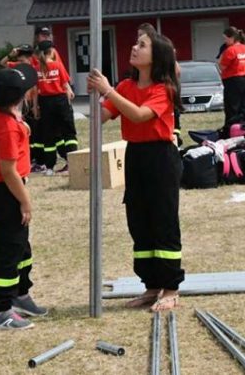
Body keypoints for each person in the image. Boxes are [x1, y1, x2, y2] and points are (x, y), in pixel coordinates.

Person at [87, 29, 184, 312]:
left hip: (161, 157)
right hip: (136, 155)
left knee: (163, 221)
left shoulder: (163, 89)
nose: (134, 47)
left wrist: (108, 91)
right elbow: (101, 117)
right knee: (139, 221)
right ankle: (151, 285)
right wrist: (98, 100)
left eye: (142, 45)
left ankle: (171, 287)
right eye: (136, 42)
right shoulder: (126, 86)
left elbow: (140, 115)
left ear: (157, 57)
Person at [0, 63, 47, 330]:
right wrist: (25, 201)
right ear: (20, 98)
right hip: (4, 189)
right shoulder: (7, 128)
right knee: (8, 248)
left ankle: (20, 293)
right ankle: (1, 309)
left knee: (21, 244)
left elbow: (6, 119)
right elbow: (8, 171)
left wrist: (21, 124)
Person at [32, 40, 78, 175]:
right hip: (60, 100)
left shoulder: (37, 69)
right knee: (68, 132)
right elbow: (65, 84)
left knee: (49, 134)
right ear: (51, 52)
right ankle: (72, 162)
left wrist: (35, 107)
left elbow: (35, 90)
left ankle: (50, 167)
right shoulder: (57, 65)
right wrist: (69, 93)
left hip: (45, 102)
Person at [137, 23, 182, 147]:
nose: (137, 42)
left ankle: (176, 137)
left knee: (173, 122)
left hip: (163, 145)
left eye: (141, 36)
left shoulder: (161, 48)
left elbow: (177, 70)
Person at [0, 45, 43, 168]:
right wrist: (10, 54)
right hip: (20, 104)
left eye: (23, 60)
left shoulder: (33, 69)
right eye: (19, 60)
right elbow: (2, 63)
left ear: (29, 59)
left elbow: (35, 89)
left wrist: (35, 106)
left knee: (33, 132)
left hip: (29, 103)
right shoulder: (17, 68)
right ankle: (27, 157)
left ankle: (35, 158)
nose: (20, 63)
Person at [218, 26, 245, 131]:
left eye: (225, 38)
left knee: (232, 108)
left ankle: (232, 129)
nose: (225, 41)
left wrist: (221, 55)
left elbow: (222, 66)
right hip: (244, 79)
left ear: (231, 38)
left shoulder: (230, 50)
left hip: (232, 81)